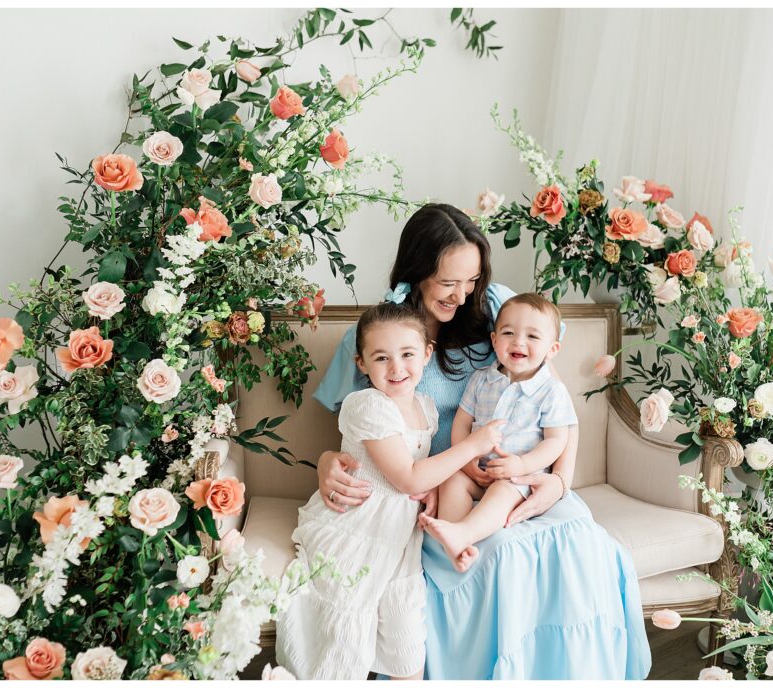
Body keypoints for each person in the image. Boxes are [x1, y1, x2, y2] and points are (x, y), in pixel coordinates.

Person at [312, 203, 650, 679]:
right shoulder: (380, 335)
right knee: (500, 556)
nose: (463, 293)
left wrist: (560, 480)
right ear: (417, 269)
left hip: (519, 473)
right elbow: (357, 432)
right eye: (449, 282)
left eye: (471, 279)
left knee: (580, 542)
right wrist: (327, 461)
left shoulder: (498, 308)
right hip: (435, 487)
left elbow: (557, 404)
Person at [276, 303, 506, 679]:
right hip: (359, 528)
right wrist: (473, 445)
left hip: (400, 540)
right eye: (381, 358)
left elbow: (421, 472)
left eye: (408, 354)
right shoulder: (366, 405)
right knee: (342, 646)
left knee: (408, 650)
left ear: (427, 354)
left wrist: (430, 492)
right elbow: (408, 477)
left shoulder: (426, 407)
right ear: (362, 364)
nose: (397, 368)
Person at [420, 293, 578, 573]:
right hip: (479, 471)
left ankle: (466, 533)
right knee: (452, 481)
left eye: (532, 336)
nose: (518, 342)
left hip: (519, 478)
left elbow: (557, 440)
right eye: (508, 333)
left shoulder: (551, 391)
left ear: (552, 349)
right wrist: (466, 462)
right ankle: (454, 539)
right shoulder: (481, 379)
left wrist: (522, 464)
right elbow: (462, 422)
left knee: (503, 492)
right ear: (494, 341)